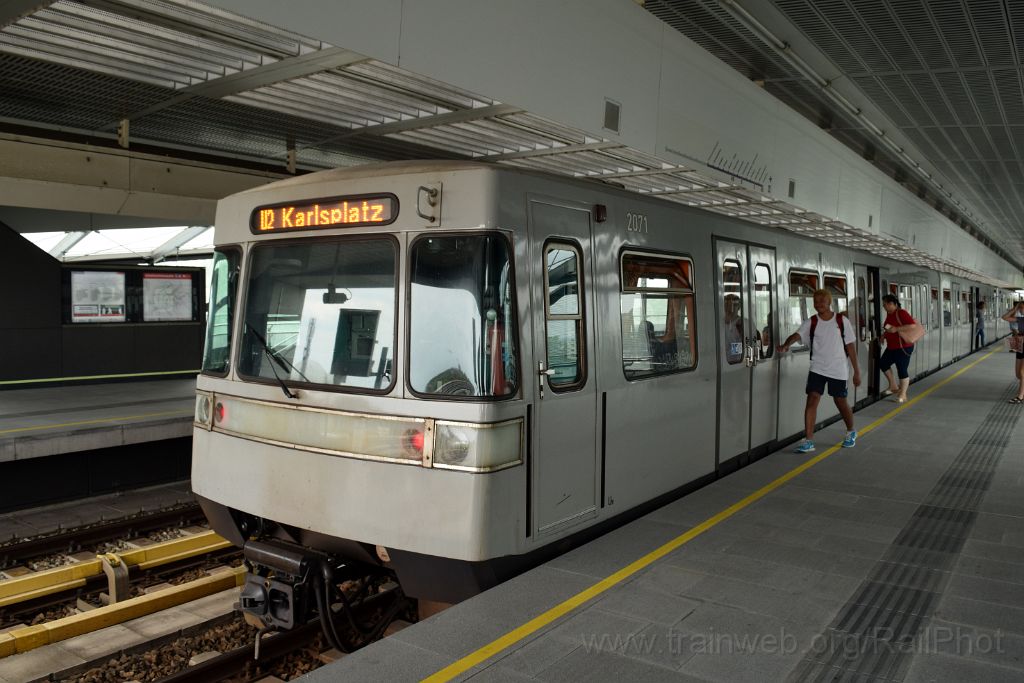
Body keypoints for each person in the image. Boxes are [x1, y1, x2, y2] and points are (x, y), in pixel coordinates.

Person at [777, 288, 861, 453]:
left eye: (822, 301)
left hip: (838, 369)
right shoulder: (812, 322)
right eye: (816, 302)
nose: (818, 304)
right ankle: (808, 440)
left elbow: (850, 347)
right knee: (812, 400)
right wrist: (787, 344)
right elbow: (797, 335)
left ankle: (851, 431)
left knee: (840, 401)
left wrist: (856, 372)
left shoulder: (841, 321)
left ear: (829, 302)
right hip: (817, 367)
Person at [878, 294, 918, 403]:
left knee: (902, 370)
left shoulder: (901, 313)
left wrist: (897, 329)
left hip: (903, 347)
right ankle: (893, 386)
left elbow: (912, 325)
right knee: (883, 363)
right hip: (892, 347)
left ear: (892, 304)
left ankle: (903, 394)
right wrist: (884, 336)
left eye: (885, 304)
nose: (884, 306)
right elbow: (888, 328)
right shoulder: (889, 314)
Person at [1003, 301, 1024, 404]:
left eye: (1022, 308)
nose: (1021, 310)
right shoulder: (1020, 319)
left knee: (1022, 372)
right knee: (1018, 374)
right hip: (1020, 346)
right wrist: (1014, 309)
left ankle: (1020, 396)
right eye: (1020, 308)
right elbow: (1005, 317)